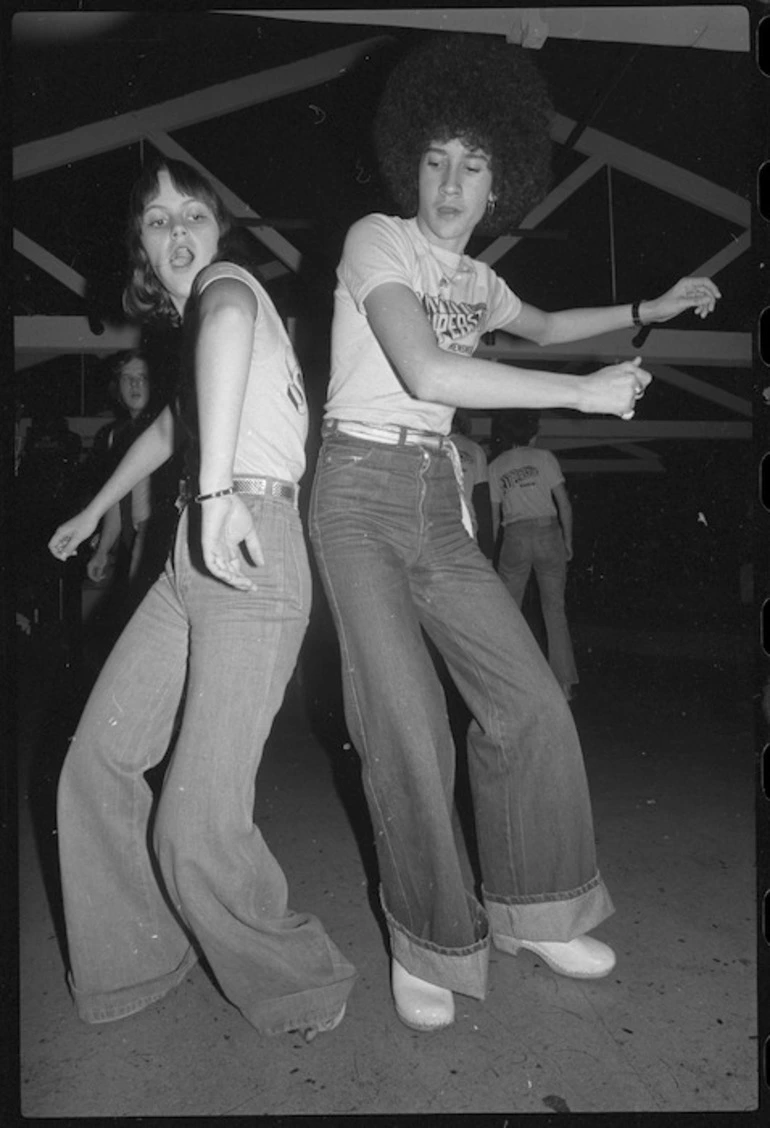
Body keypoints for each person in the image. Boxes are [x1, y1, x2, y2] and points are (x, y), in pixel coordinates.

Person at [308, 33, 720, 1032]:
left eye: (474, 163)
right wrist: (579, 396)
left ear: (501, 177)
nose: (451, 183)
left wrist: (645, 306)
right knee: (403, 725)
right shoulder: (378, 240)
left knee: (530, 700)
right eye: (436, 159)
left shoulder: (480, 281)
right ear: (409, 160)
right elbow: (428, 374)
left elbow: (537, 322)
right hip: (358, 491)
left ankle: (534, 909)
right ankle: (429, 939)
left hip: (436, 500)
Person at [48, 157, 356, 1038]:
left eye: (191, 214)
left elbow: (219, 316)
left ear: (219, 231)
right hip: (198, 547)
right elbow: (174, 428)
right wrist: (93, 508)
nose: (176, 231)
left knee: (197, 822)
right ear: (143, 249)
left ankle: (301, 984)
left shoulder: (228, 291)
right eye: (155, 221)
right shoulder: (208, 341)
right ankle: (139, 961)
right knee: (97, 763)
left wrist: (215, 494)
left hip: (248, 541)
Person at [82, 350, 181, 649]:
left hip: (161, 540)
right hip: (133, 538)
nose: (135, 385)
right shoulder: (115, 435)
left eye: (143, 378)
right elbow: (116, 499)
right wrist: (102, 551)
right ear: (118, 386)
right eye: (128, 378)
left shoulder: (169, 427)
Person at [489, 409, 578, 700]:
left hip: (514, 535)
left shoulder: (497, 466)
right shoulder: (545, 458)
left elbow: (494, 515)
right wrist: (567, 541)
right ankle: (563, 684)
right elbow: (564, 504)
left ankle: (509, 681)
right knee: (555, 610)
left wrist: (492, 551)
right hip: (547, 531)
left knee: (508, 611)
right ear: (532, 433)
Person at [449, 408, 493, 558]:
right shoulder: (475, 449)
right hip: (466, 525)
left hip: (437, 524)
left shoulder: (434, 446)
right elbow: (481, 499)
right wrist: (487, 547)